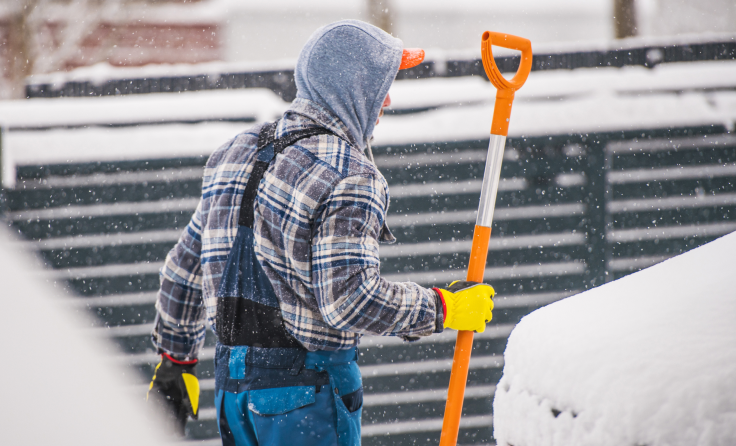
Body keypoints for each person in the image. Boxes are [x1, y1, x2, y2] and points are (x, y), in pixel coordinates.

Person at [146, 19, 495, 446]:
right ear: (353, 88)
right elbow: (350, 301)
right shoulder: (351, 174)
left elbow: (184, 268)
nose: (386, 100)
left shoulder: (234, 152)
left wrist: (175, 361)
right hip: (306, 397)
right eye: (381, 84)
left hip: (233, 394)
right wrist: (443, 309)